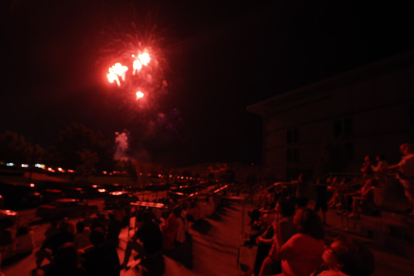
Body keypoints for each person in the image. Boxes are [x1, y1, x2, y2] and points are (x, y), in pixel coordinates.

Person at [278, 208, 325, 276]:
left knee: (269, 261)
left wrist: (277, 232)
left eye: (296, 215)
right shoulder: (321, 241)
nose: (294, 216)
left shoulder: (299, 239)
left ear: (302, 221)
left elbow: (280, 254)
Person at [258, 197, 297, 276]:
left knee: (264, 255)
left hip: (277, 253)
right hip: (278, 249)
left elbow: (275, 240)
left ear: (281, 209)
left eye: (277, 206)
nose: (275, 207)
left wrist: (261, 239)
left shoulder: (285, 223)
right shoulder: (286, 218)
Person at [382, 143, 414, 215]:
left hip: (409, 179)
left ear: (408, 148)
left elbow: (398, 166)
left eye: (403, 148)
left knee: (412, 195)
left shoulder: (411, 157)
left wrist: (386, 168)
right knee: (410, 196)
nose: (402, 151)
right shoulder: (407, 157)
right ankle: (412, 209)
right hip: (406, 180)